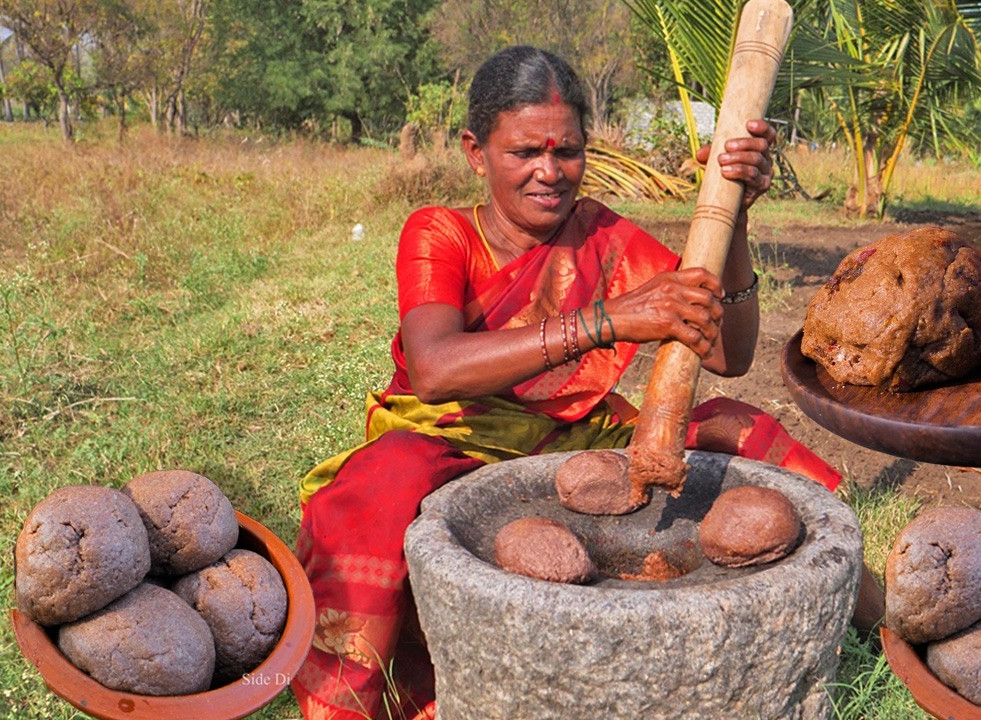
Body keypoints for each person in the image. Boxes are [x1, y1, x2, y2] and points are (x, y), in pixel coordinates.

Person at [292, 45, 883, 720]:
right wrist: (609, 321)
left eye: (567, 151)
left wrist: (737, 219)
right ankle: (343, 702)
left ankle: (868, 618)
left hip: (569, 436)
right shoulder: (441, 233)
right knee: (380, 483)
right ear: (474, 151)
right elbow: (433, 368)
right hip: (450, 435)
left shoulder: (603, 235)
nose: (549, 172)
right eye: (524, 153)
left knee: (738, 424)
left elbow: (727, 352)